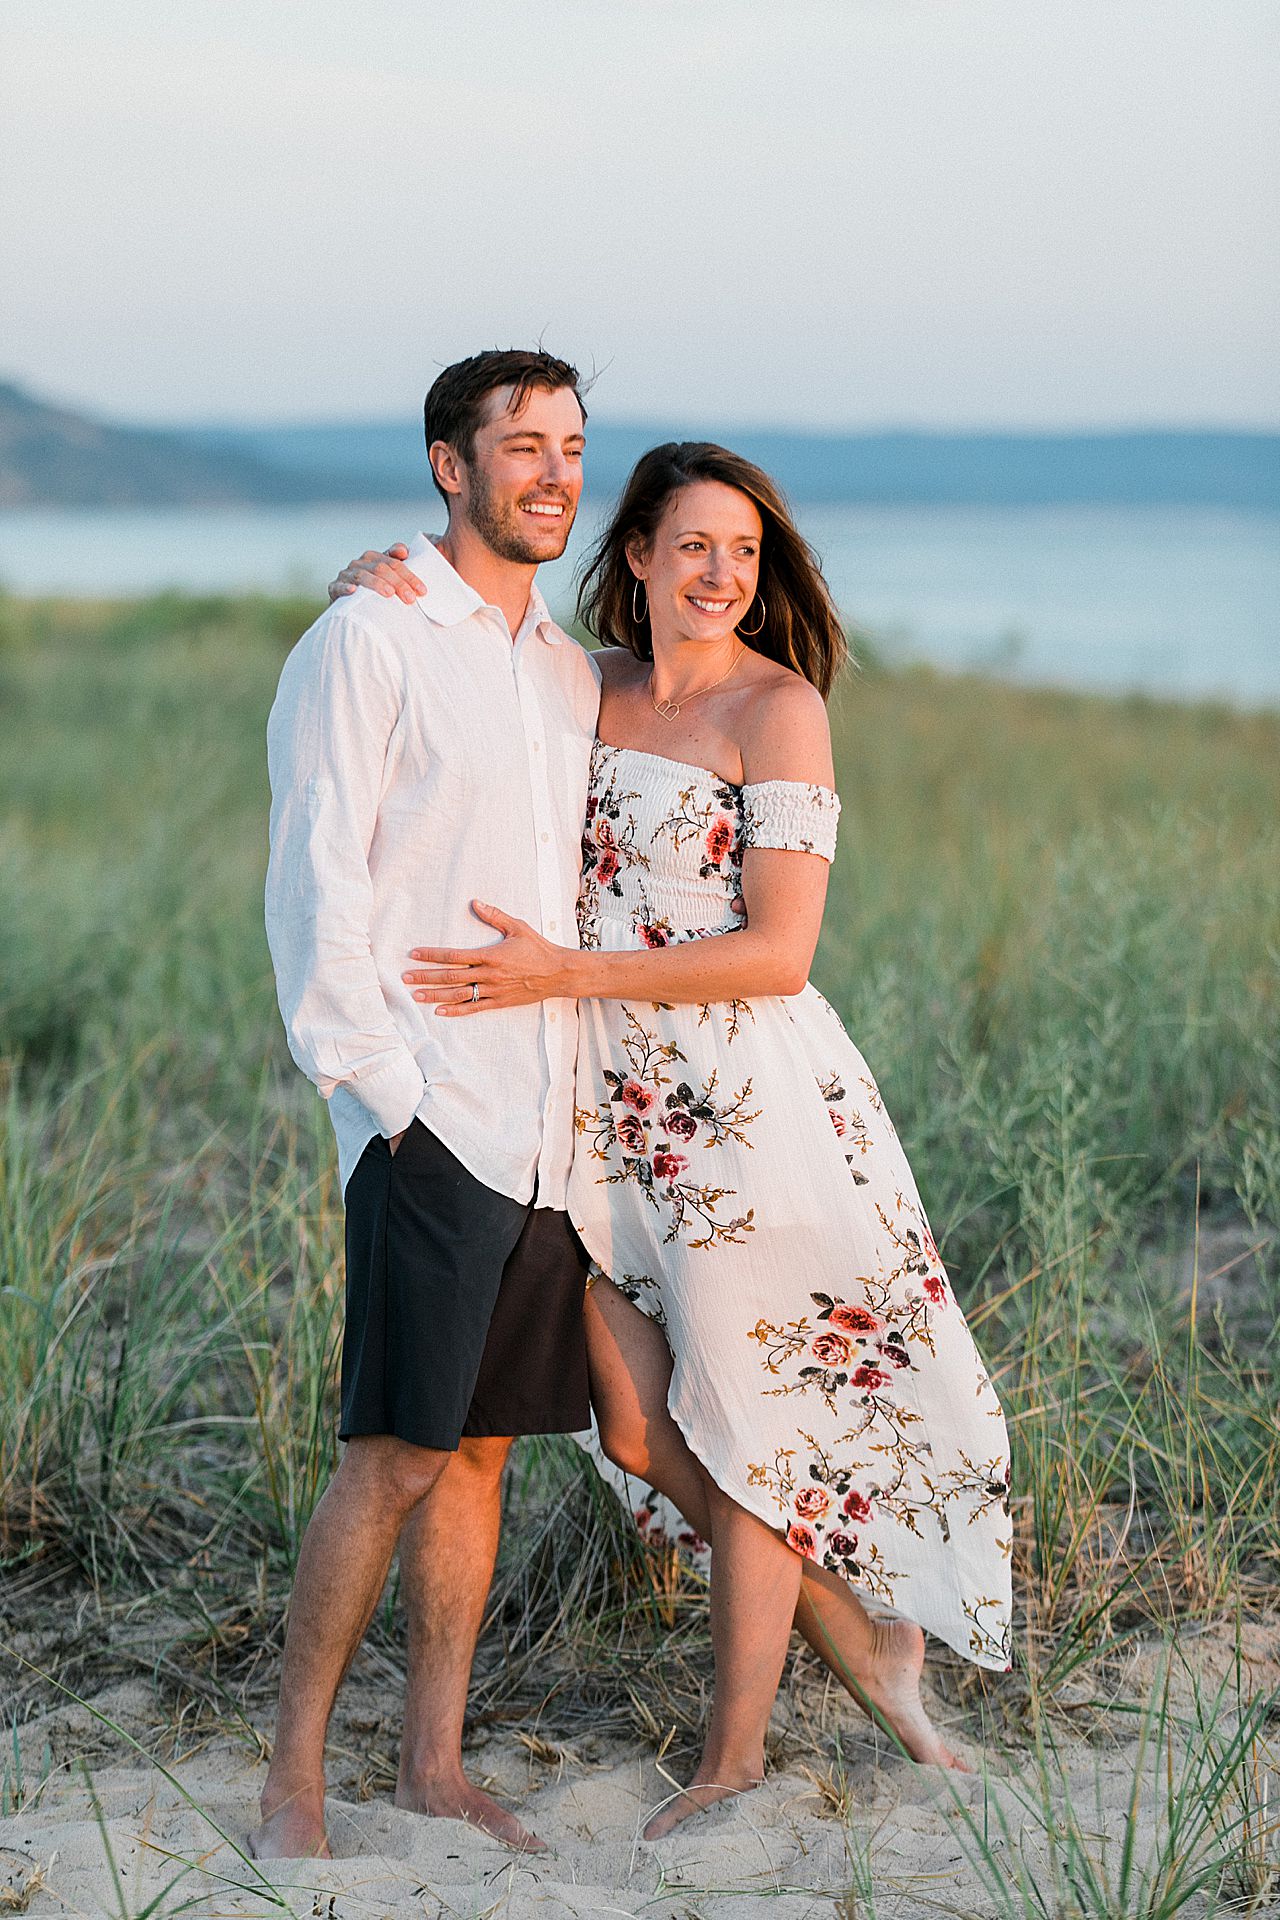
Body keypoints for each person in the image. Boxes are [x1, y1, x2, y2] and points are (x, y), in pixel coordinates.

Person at [333, 443, 1013, 1840]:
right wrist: (377, 584)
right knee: (639, 1429)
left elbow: (776, 953)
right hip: (590, 1111)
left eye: (746, 555)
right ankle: (859, 1628)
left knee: (742, 1423)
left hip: (737, 1111)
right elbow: (460, 644)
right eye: (693, 546)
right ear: (634, 554)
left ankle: (734, 1756)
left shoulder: (782, 711)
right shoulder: (581, 685)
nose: (722, 576)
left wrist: (561, 979)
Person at [257, 347, 601, 1858]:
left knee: (479, 1450)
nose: (554, 474)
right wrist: (388, 1097)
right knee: (393, 1451)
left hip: (548, 1120)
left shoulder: (568, 665)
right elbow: (314, 882)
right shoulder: (368, 640)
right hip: (435, 1112)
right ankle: (294, 1782)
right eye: (520, 446)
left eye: (574, 447)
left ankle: (434, 1766)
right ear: (450, 468)